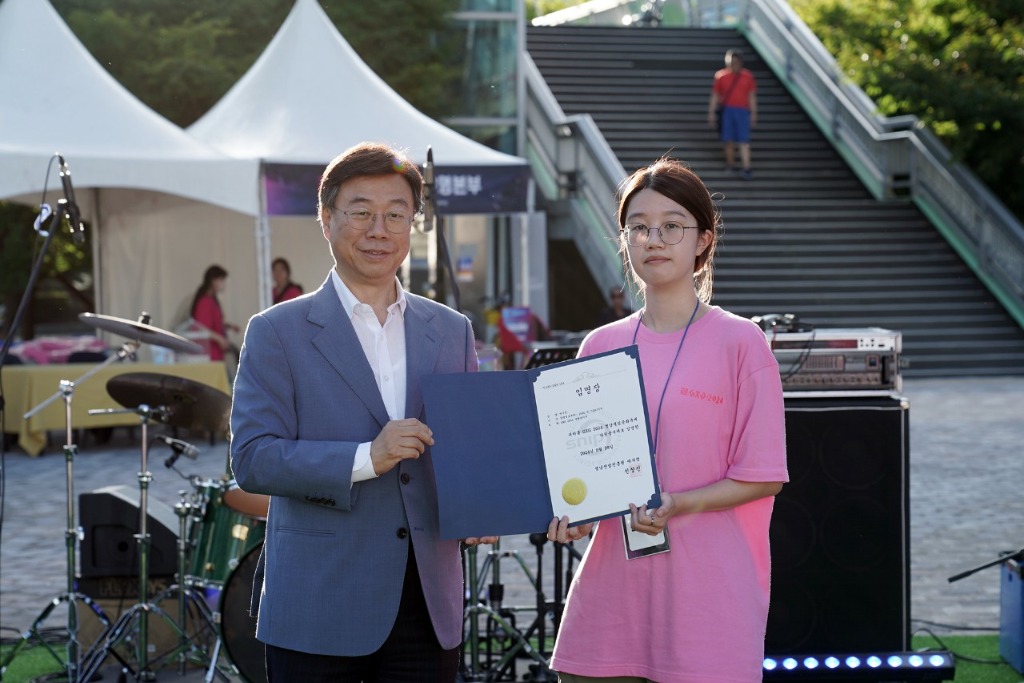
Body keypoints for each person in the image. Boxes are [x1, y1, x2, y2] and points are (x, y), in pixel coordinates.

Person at [230, 142, 496, 682]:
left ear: (412, 226)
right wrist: (364, 459)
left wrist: (487, 504)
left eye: (397, 214)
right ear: (326, 220)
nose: (380, 229)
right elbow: (254, 460)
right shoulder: (276, 331)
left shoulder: (451, 330)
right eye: (361, 212)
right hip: (319, 604)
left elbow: (469, 450)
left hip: (428, 607)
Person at [547, 157, 788, 682]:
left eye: (671, 226)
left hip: (708, 598)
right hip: (611, 596)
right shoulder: (600, 345)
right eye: (639, 227)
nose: (653, 239)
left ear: (703, 239)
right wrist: (576, 513)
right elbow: (587, 473)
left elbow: (765, 473)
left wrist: (681, 502)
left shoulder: (741, 342)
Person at [708, 48, 758, 180]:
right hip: (727, 110)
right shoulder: (721, 76)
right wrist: (711, 112)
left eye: (734, 62)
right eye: (730, 62)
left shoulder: (747, 76)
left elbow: (751, 96)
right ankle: (730, 164)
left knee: (743, 140)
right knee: (728, 140)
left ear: (740, 62)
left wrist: (753, 113)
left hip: (742, 111)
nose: (732, 65)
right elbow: (715, 95)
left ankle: (746, 167)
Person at [190, 264, 239, 361]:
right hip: (209, 354)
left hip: (216, 353)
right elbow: (201, 328)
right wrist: (220, 339)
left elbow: (214, 323)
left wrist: (228, 326)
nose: (223, 284)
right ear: (213, 280)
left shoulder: (212, 300)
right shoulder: (205, 302)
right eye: (221, 280)